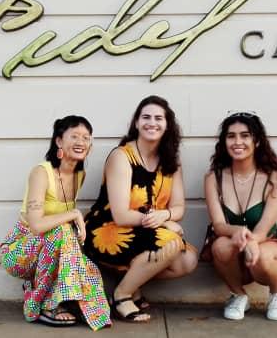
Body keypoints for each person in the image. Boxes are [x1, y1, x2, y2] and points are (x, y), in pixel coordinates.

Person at [83, 95, 198, 323]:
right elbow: (121, 215)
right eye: (145, 117)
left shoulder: (170, 162)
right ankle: (121, 296)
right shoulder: (122, 156)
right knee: (170, 242)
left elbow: (178, 207)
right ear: (136, 122)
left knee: (188, 260)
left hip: (146, 230)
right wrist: (165, 222)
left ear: (167, 125)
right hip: (107, 229)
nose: (151, 123)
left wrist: (165, 214)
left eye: (158, 118)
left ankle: (131, 282)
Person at [0, 116, 111, 329]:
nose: (81, 142)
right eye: (74, 136)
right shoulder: (42, 172)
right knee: (61, 230)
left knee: (75, 247)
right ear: (59, 141)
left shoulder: (80, 175)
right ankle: (40, 305)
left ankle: (75, 303)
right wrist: (74, 214)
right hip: (19, 252)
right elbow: (37, 226)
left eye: (86, 138)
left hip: (51, 247)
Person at [203, 112, 277, 321]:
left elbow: (263, 229)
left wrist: (252, 241)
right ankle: (238, 295)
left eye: (245, 135)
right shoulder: (213, 178)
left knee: (261, 256)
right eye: (231, 136)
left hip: (269, 247)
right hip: (233, 248)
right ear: (224, 141)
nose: (238, 142)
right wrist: (238, 231)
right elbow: (218, 225)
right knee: (219, 246)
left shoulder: (275, 179)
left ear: (257, 140)